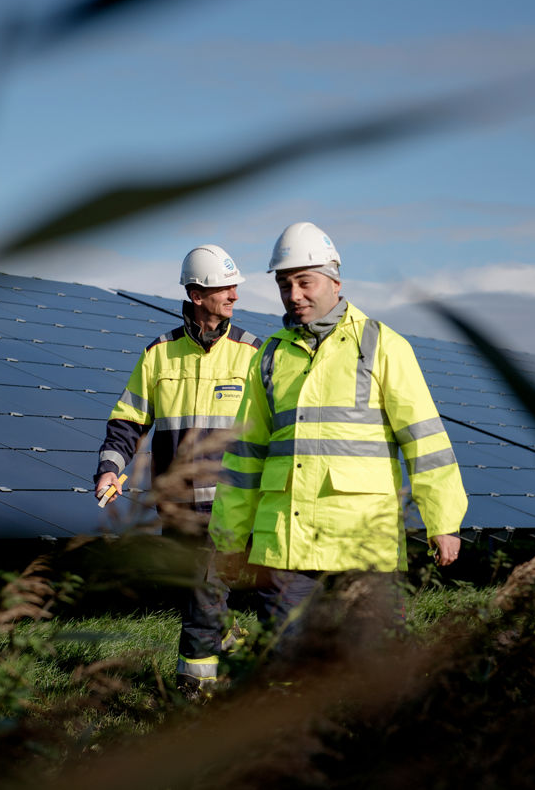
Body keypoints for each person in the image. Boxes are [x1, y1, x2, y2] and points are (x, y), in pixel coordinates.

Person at [209, 221, 468, 651]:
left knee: (373, 669)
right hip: (284, 546)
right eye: (284, 284)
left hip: (363, 545)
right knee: (283, 667)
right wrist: (229, 538)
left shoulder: (383, 345)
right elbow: (245, 456)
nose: (294, 295)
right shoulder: (269, 355)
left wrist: (443, 521)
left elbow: (424, 440)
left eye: (304, 282)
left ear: (334, 281)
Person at [94, 244, 262, 694]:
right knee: (195, 590)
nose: (233, 295)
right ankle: (231, 640)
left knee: (202, 592)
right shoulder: (158, 354)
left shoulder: (253, 354)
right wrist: (109, 470)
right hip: (175, 507)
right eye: (223, 287)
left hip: (230, 505)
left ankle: (194, 690)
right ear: (195, 294)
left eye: (234, 287)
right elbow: (127, 421)